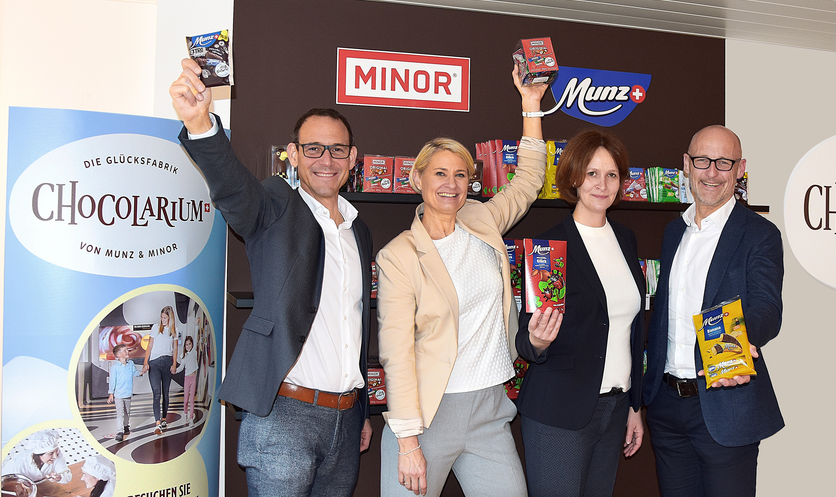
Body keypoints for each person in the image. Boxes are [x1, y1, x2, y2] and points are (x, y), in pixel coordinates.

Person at [170, 57, 373, 497]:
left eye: (338, 149)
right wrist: (202, 123)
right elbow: (231, 189)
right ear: (294, 153)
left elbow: (356, 325)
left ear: (353, 158)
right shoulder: (274, 204)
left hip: (346, 418)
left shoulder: (359, 229)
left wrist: (361, 414)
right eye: (313, 148)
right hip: (283, 415)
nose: (326, 160)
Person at [377, 65, 552, 497]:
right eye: (439, 173)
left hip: (491, 409)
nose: (451, 184)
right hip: (429, 416)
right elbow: (396, 353)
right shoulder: (399, 255)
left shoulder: (481, 219)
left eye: (460, 175)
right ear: (418, 179)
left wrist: (531, 104)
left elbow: (529, 181)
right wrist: (407, 442)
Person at [642, 125, 784, 497]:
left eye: (724, 162)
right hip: (666, 406)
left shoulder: (760, 234)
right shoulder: (675, 232)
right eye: (703, 160)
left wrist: (737, 347)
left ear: (740, 169)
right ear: (686, 165)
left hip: (726, 404)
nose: (712, 172)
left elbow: (767, 309)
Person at [515, 130, 645, 497]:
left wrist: (635, 407)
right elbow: (526, 340)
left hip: (615, 408)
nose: (602, 185)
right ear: (573, 177)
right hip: (559, 412)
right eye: (591, 173)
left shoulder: (626, 239)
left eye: (611, 175)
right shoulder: (548, 247)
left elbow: (631, 330)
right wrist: (537, 341)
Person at [141, 306, 177, 435]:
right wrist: (146, 363)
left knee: (165, 393)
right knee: (157, 393)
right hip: (154, 363)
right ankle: (157, 423)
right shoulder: (155, 328)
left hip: (167, 362)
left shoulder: (173, 331)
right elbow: (149, 346)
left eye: (165, 318)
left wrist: (174, 364)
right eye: (162, 317)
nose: (163, 320)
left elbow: (175, 348)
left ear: (170, 318)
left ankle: (163, 419)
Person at [2, 430, 71, 484]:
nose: (55, 456)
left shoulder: (56, 454)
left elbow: (67, 476)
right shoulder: (18, 463)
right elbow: (5, 481)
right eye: (50, 453)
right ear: (38, 455)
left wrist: (59, 477)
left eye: (56, 451)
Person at [107, 344, 142, 442]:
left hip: (128, 393)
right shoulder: (115, 368)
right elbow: (112, 381)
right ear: (118, 355)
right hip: (118, 395)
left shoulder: (130, 364)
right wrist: (111, 393)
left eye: (127, 350)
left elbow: (134, 372)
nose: (127, 352)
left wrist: (141, 372)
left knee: (127, 412)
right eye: (124, 351)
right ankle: (119, 432)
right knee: (120, 414)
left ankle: (126, 426)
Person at [178, 335, 199, 425]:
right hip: (187, 378)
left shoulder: (194, 352)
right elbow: (181, 367)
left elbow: (195, 333)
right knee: (186, 399)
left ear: (192, 344)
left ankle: (191, 419)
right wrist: (174, 370)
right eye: (186, 344)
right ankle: (185, 413)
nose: (188, 346)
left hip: (193, 378)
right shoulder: (183, 356)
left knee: (192, 400)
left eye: (189, 344)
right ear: (184, 346)